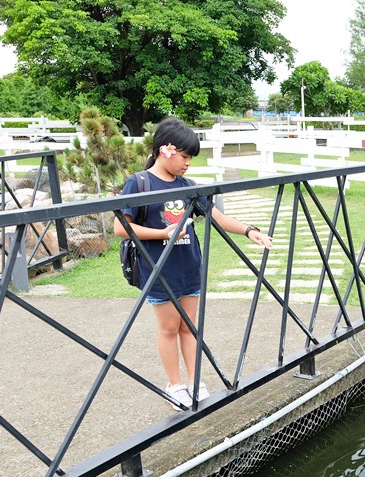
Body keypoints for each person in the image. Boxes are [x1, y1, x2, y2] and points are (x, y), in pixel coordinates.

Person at [113, 117, 273, 410]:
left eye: (190, 158)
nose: (188, 163)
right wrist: (162, 233)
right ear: (166, 150)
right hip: (160, 268)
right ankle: (174, 385)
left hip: (188, 265)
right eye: (185, 156)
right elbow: (121, 227)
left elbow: (217, 218)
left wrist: (250, 231)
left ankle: (194, 380)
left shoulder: (188, 185)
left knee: (190, 327)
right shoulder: (139, 183)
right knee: (169, 329)